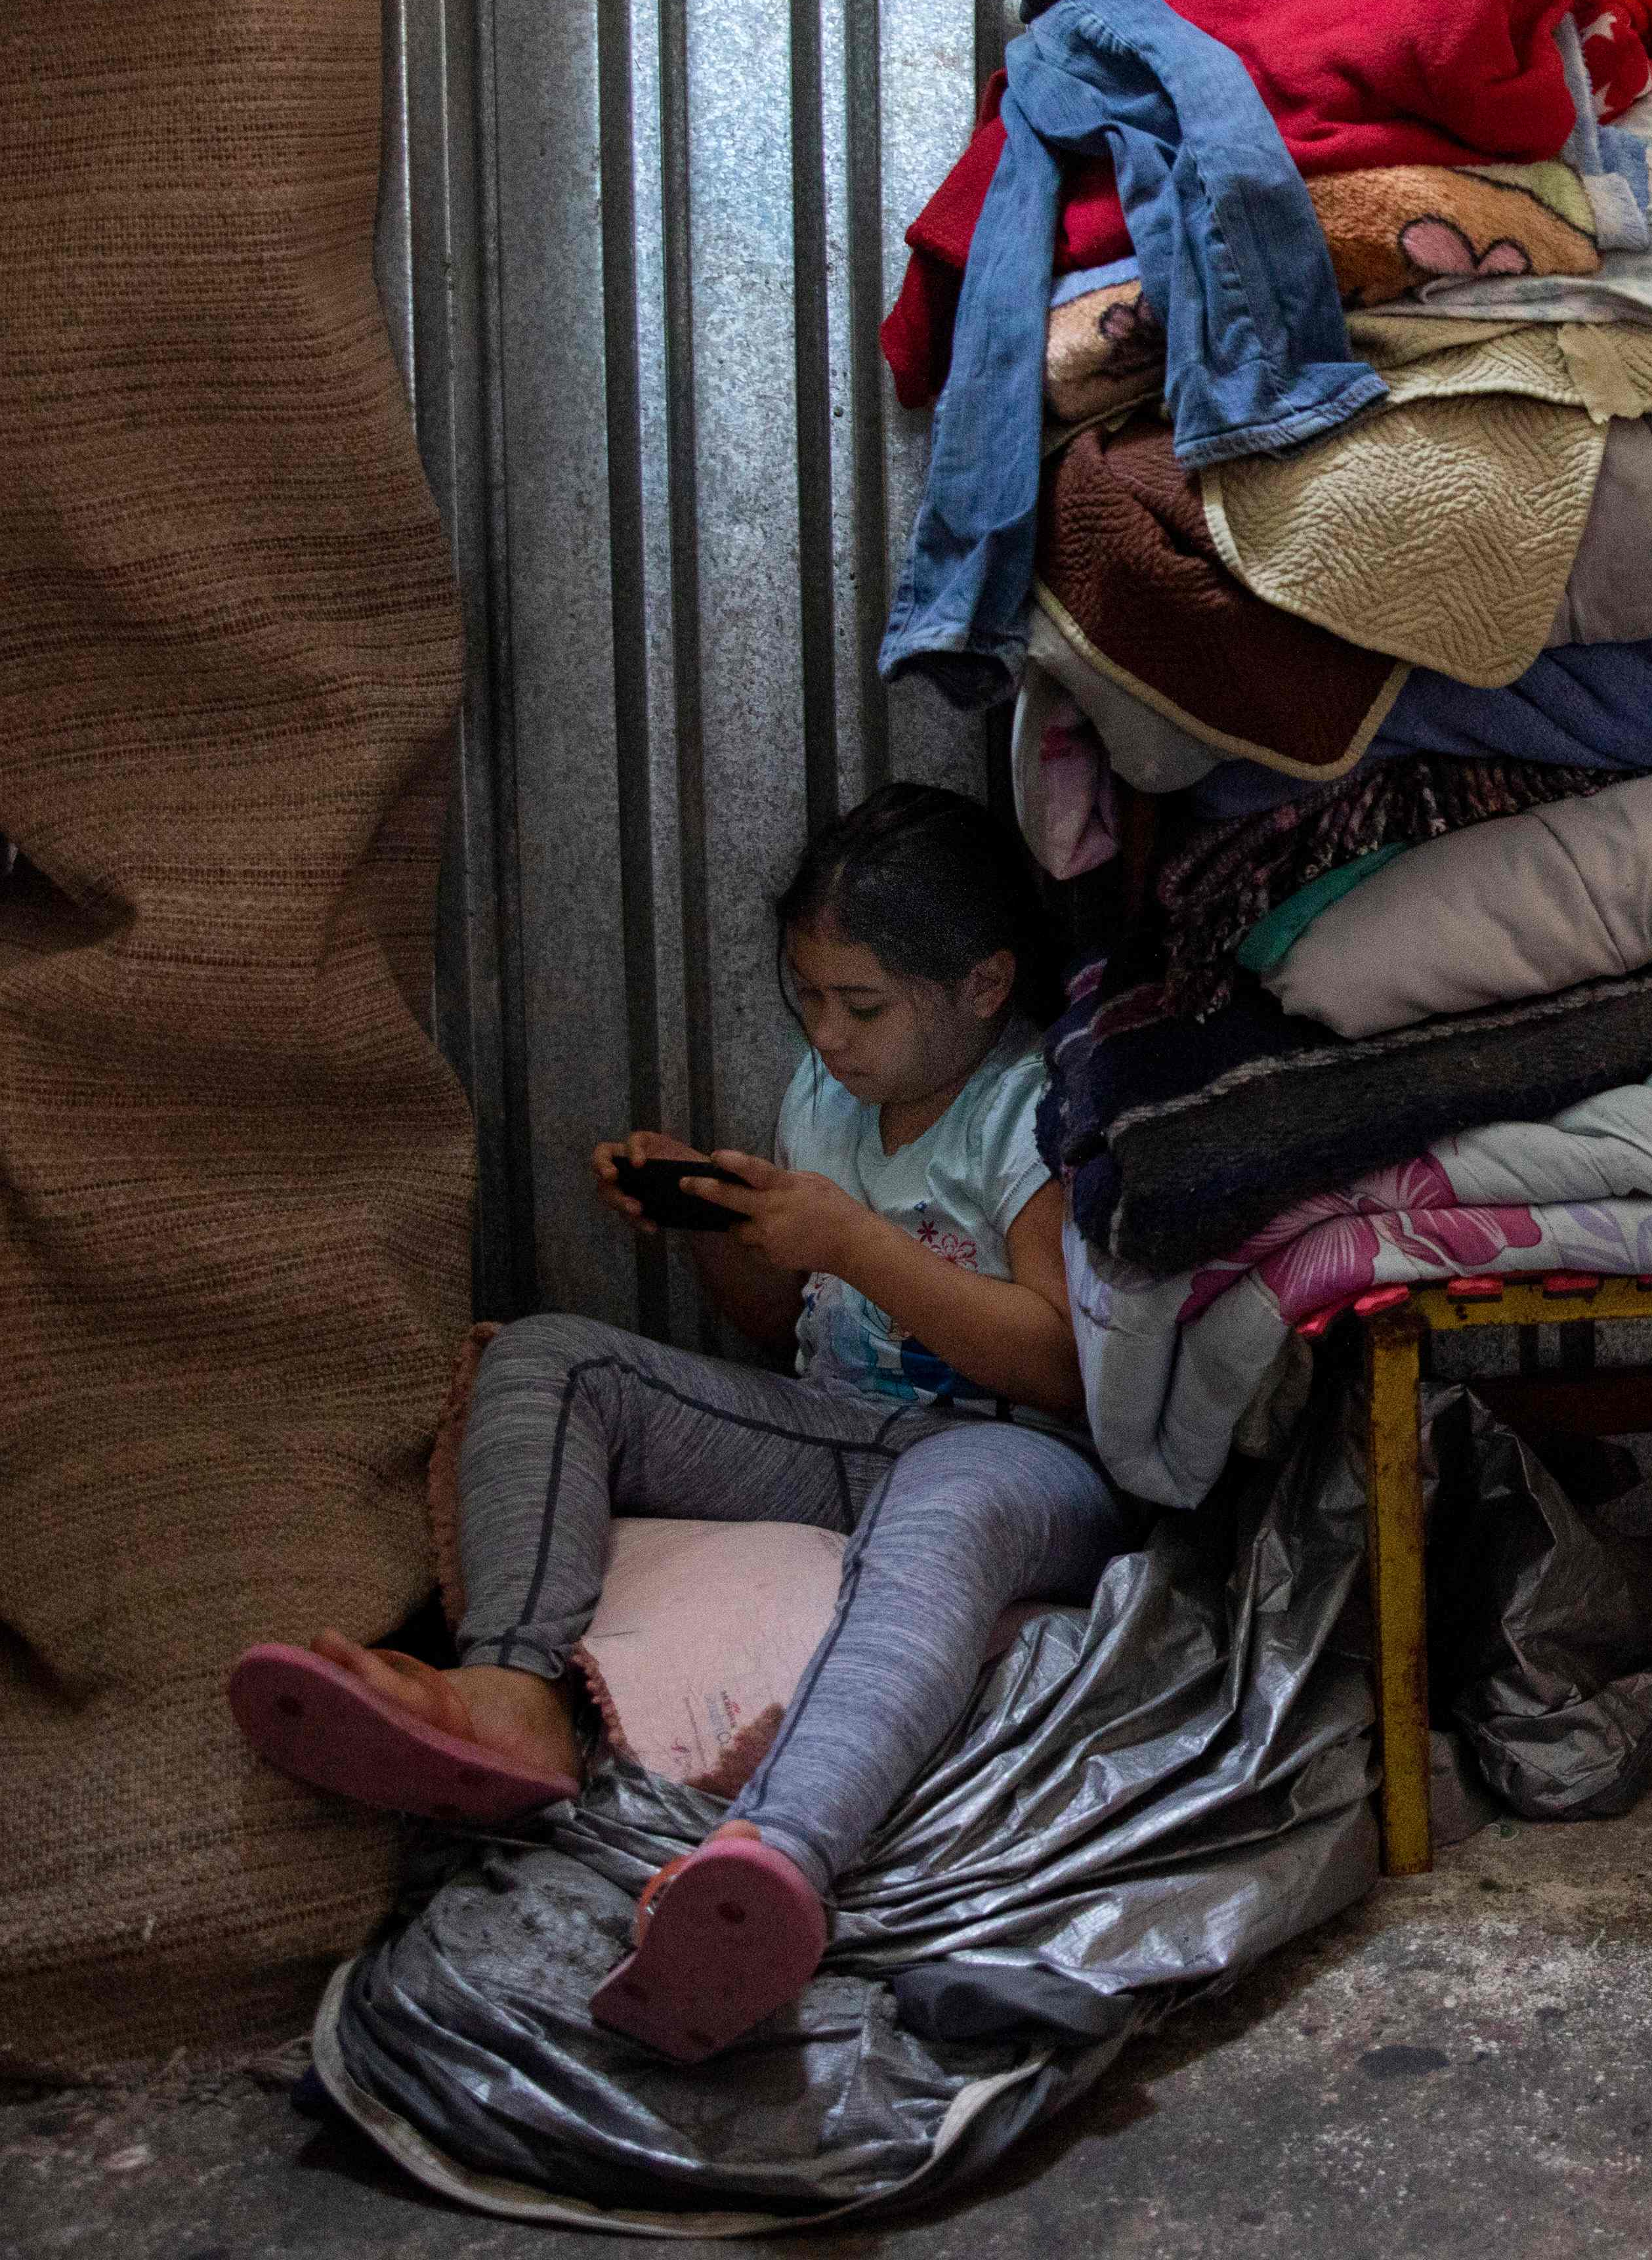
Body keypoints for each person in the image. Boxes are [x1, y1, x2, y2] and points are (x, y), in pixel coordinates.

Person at [224, 783, 1127, 2062]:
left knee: (948, 1506)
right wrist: (717, 1229)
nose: (828, 1035)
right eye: (807, 998)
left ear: (983, 984)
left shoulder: (1029, 1108)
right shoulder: (826, 1098)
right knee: (549, 1360)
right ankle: (510, 1690)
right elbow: (778, 1330)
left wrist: (860, 1243)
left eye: (860, 1006)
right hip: (837, 1430)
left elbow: (1062, 1367)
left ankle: (778, 1857)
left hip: (1013, 1455)